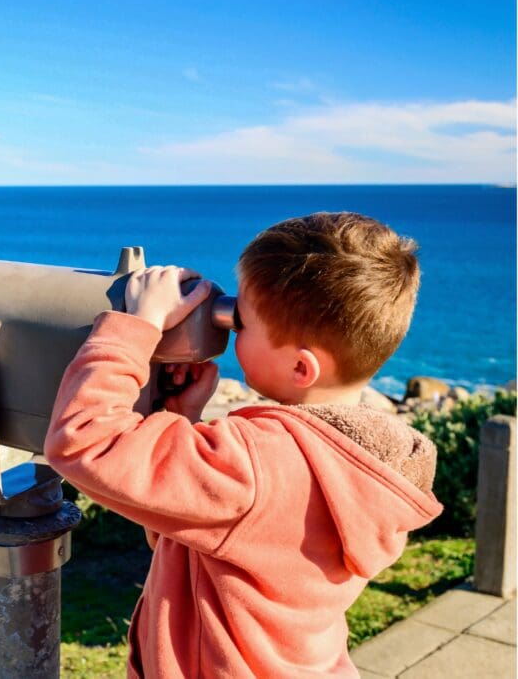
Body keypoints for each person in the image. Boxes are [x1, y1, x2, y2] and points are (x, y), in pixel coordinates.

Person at [43, 212, 442, 678]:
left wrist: (137, 327)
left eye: (241, 323)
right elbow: (190, 522)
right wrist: (180, 420)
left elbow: (83, 441)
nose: (229, 328)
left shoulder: (256, 464)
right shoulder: (361, 463)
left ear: (300, 368)